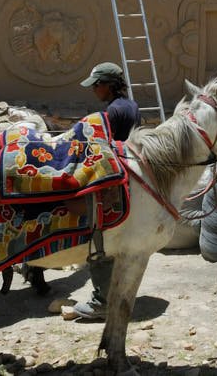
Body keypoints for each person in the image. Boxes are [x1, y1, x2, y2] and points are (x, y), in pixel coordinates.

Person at [72, 61, 141, 321]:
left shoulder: (112, 112)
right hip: (130, 178)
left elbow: (100, 146)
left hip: (111, 183)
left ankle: (102, 300)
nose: (94, 91)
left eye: (96, 86)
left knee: (98, 236)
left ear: (108, 86)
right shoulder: (131, 106)